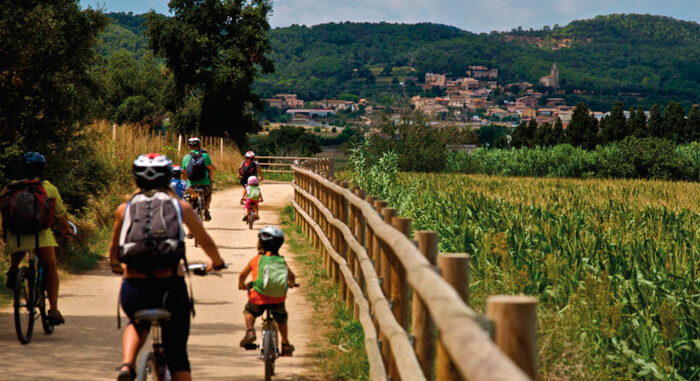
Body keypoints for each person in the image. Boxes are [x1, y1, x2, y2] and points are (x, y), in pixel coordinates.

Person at [109, 153, 225, 381]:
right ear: (166, 178)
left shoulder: (125, 209)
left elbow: (114, 249)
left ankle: (127, 365)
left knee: (136, 323)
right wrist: (216, 263)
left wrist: (116, 265)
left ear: (136, 179)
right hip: (170, 287)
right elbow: (206, 242)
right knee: (177, 354)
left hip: (134, 288)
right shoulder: (181, 207)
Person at [2, 152, 74, 325]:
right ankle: (53, 310)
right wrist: (65, 228)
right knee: (50, 267)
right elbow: (60, 214)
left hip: (16, 236)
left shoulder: (9, 188)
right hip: (40, 236)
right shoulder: (49, 188)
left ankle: (13, 270)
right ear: (42, 169)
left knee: (19, 246)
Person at [238, 226, 296, 356]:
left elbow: (242, 275)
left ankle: (250, 331)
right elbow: (291, 277)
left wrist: (242, 285)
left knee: (249, 311)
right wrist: (291, 284)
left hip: (258, 297)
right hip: (278, 298)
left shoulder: (256, 260)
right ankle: (285, 344)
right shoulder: (282, 261)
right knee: (281, 318)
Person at [181, 137, 216, 221]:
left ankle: (191, 219)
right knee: (208, 194)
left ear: (189, 147)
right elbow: (212, 169)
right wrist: (211, 180)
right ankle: (206, 209)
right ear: (199, 145)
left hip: (192, 185)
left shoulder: (185, 158)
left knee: (191, 199)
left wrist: (184, 185)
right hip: (205, 184)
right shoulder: (205, 156)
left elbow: (184, 174)